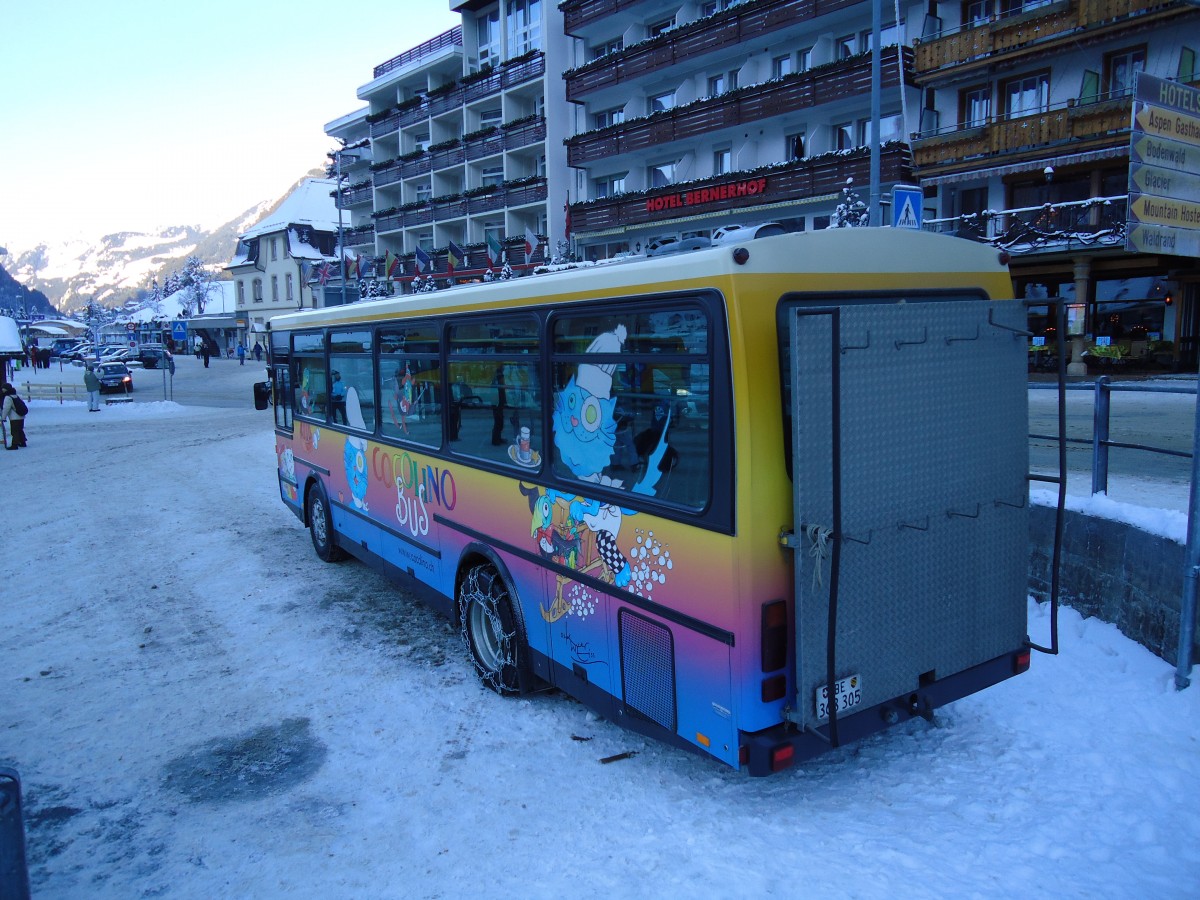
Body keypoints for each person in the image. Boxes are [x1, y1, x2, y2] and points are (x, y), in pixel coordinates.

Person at [1, 383, 27, 449]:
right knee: (20, 429)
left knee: (14, 431)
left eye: (3, 388)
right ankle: (23, 442)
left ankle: (14, 445)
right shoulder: (15, 395)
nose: (2, 390)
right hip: (21, 415)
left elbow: (6, 408)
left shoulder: (8, 397)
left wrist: (3, 417)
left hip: (14, 417)